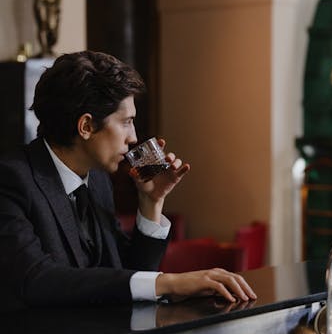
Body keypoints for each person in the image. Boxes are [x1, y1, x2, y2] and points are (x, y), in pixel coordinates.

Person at [0, 51, 256, 310]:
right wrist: (167, 283)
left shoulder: (98, 179)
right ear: (86, 126)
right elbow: (36, 280)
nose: (133, 137)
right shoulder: (11, 180)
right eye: (126, 122)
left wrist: (150, 202)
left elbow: (128, 275)